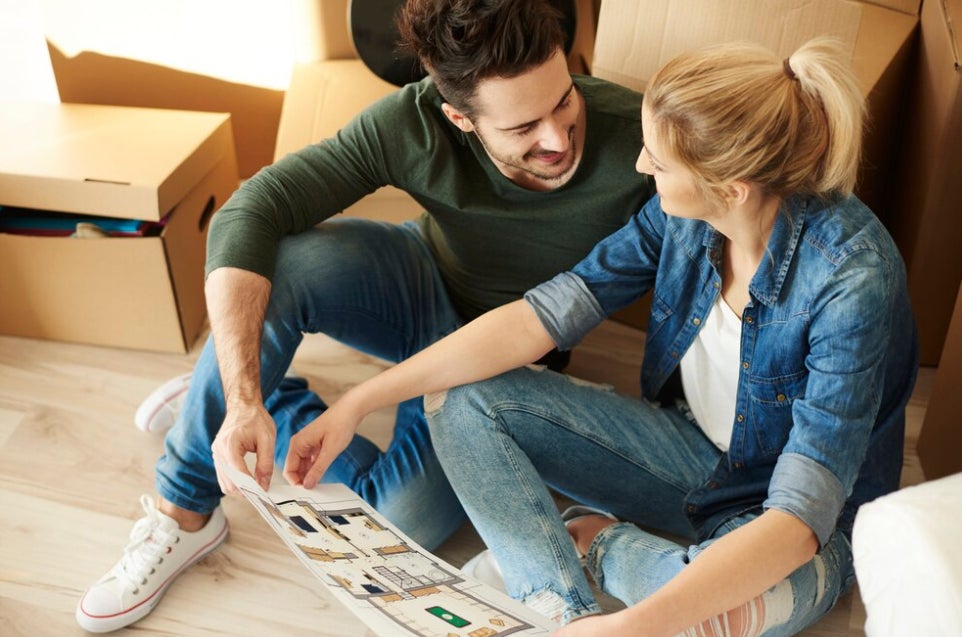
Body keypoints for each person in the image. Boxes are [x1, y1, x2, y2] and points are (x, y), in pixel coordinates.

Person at [279, 38, 918, 636]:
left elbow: (799, 520)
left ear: (728, 188)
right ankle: (562, 605)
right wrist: (359, 401)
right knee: (459, 394)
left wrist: (633, 626)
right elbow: (537, 318)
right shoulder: (684, 217)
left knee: (726, 616)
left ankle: (592, 544)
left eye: (658, 161)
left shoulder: (851, 280)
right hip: (695, 456)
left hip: (805, 521)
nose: (640, 164)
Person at [75, 0, 656, 633]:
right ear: (459, 117)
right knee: (288, 266)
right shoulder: (410, 123)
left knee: (398, 522)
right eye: (522, 128)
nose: (557, 137)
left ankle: (225, 396)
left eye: (564, 102)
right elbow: (251, 210)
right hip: (419, 281)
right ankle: (187, 501)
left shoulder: (637, 136)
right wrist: (243, 398)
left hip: (504, 356)